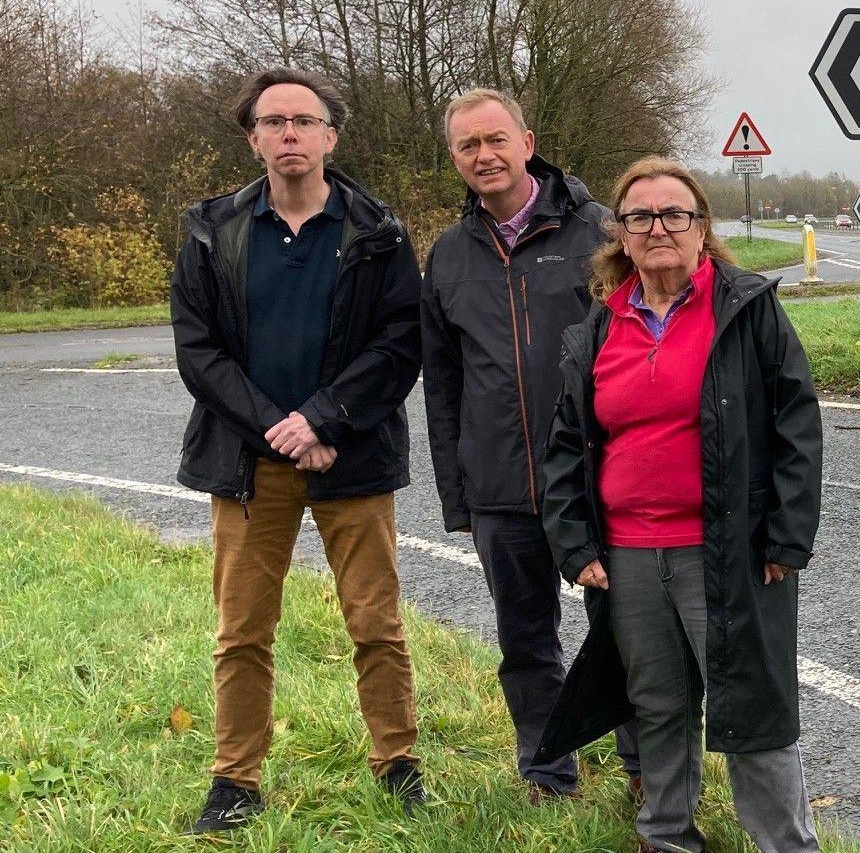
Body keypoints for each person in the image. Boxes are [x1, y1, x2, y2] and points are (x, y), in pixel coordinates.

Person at [535, 157, 824, 853]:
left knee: (752, 707)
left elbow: (796, 425)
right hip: (629, 555)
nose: (657, 228)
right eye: (640, 216)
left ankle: (786, 844)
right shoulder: (600, 327)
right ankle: (665, 836)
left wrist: (786, 537)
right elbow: (567, 446)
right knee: (657, 705)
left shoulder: (746, 309)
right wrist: (575, 546)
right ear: (621, 235)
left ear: (701, 229)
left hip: (730, 551)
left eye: (674, 214)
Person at [169, 68, 425, 833]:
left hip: (351, 456)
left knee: (375, 622)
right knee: (243, 630)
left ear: (329, 136)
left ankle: (398, 765)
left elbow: (397, 344)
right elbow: (198, 351)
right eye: (273, 122)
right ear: (253, 138)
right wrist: (277, 427)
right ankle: (235, 780)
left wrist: (322, 419)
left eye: (303, 121)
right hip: (249, 463)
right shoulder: (212, 230)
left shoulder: (377, 232)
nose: (289, 134)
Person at [420, 87, 640, 803]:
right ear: (453, 157)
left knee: (627, 637)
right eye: (467, 146)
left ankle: (648, 772)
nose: (484, 156)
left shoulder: (600, 234)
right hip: (499, 488)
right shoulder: (449, 254)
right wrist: (460, 498)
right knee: (525, 644)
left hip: (599, 481)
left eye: (495, 140)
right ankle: (547, 772)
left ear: (526, 140)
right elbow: (442, 384)